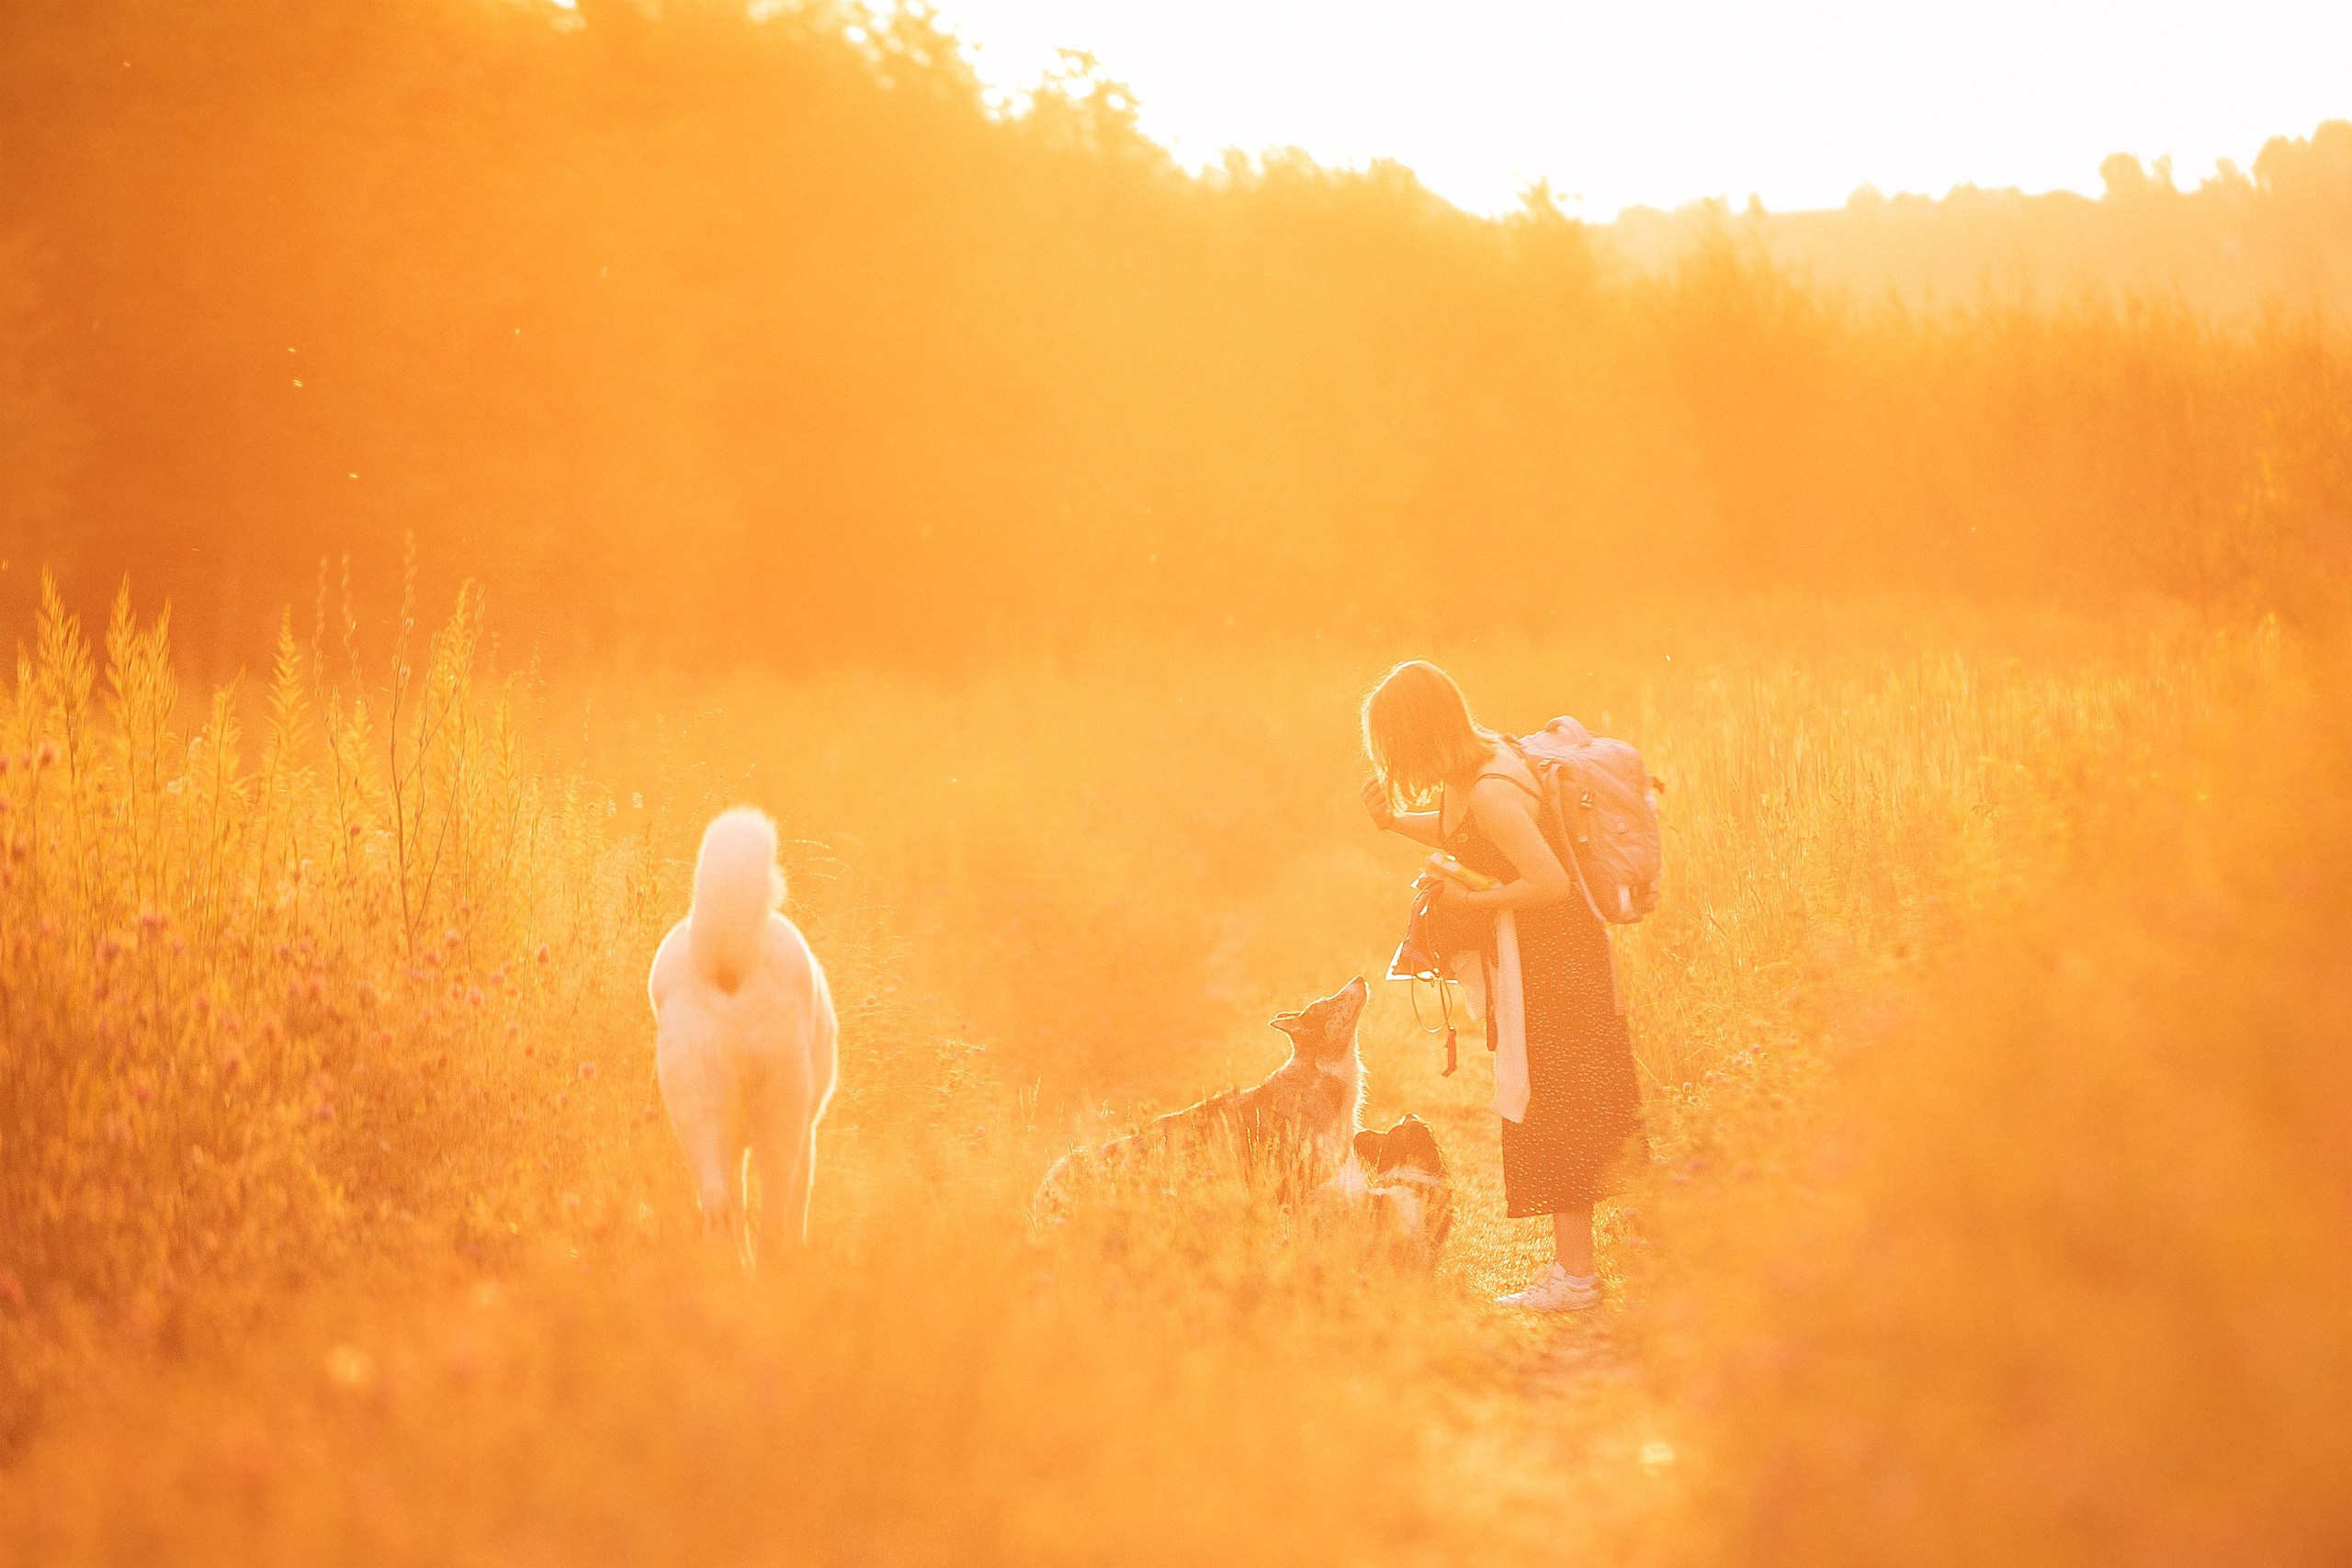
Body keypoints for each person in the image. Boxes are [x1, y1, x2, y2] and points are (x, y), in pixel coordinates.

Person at [1360, 660, 1644, 1313]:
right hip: (1540, 958)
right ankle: (1574, 1270)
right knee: (1553, 1101)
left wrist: (1469, 901)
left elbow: (1550, 883)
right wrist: (1396, 823)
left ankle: (1576, 1278)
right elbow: (1464, 832)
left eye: (1393, 746)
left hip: (1555, 964)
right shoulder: (1477, 766)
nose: (1394, 762)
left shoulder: (1488, 788)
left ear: (1416, 735)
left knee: (1557, 1105)